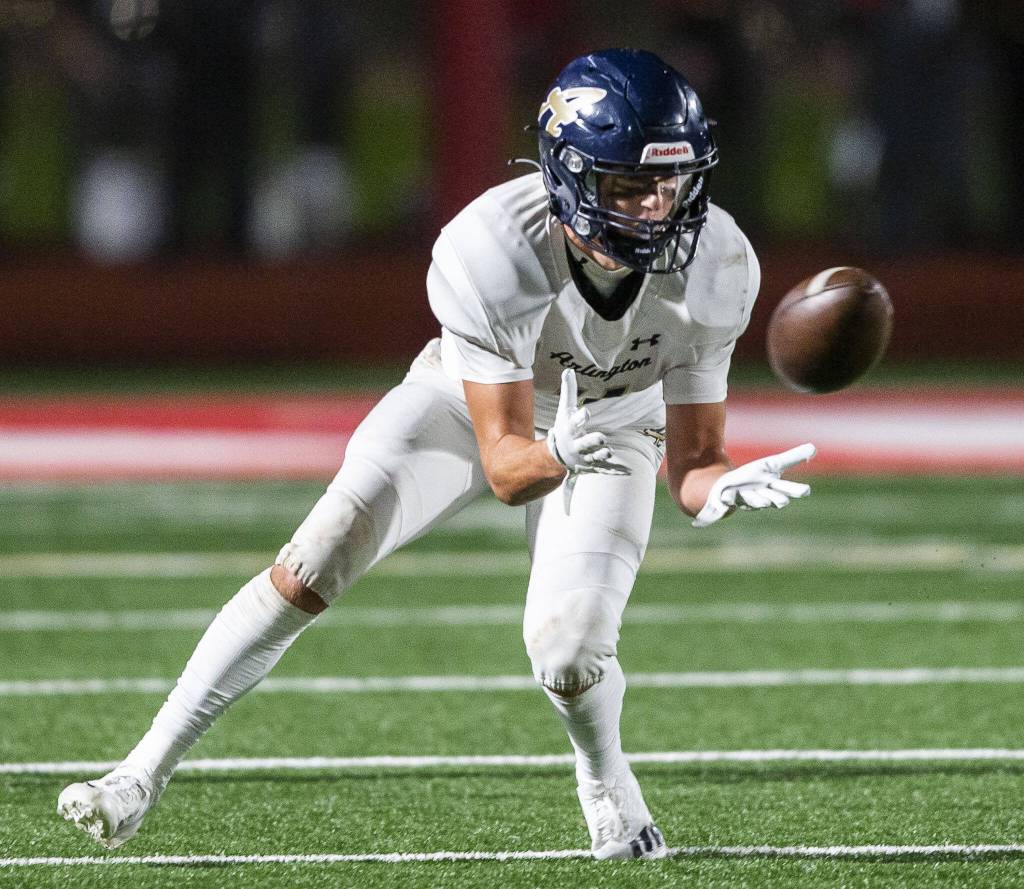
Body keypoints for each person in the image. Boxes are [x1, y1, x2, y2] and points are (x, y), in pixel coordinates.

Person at [57, 48, 815, 860]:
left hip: (617, 422)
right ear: (568, 176)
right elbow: (506, 468)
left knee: (567, 648)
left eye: (671, 185)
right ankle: (139, 773)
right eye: (628, 186)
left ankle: (604, 778)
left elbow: (694, 459)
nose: (656, 210)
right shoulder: (493, 247)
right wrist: (554, 447)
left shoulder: (718, 262)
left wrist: (716, 484)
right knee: (319, 552)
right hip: (468, 402)